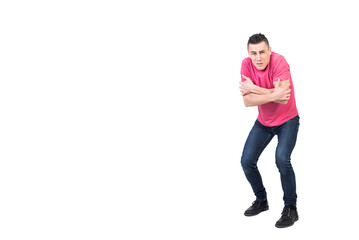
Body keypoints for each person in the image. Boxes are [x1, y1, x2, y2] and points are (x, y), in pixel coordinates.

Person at [239, 33, 300, 228]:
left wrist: (253, 88)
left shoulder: (280, 62)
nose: (258, 57)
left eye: (262, 52)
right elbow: (247, 101)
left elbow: (283, 98)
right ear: (249, 53)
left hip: (287, 120)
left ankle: (291, 207)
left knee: (282, 159)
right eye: (253, 53)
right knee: (247, 161)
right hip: (264, 122)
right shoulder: (246, 64)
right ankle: (261, 200)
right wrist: (272, 93)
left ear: (270, 51)